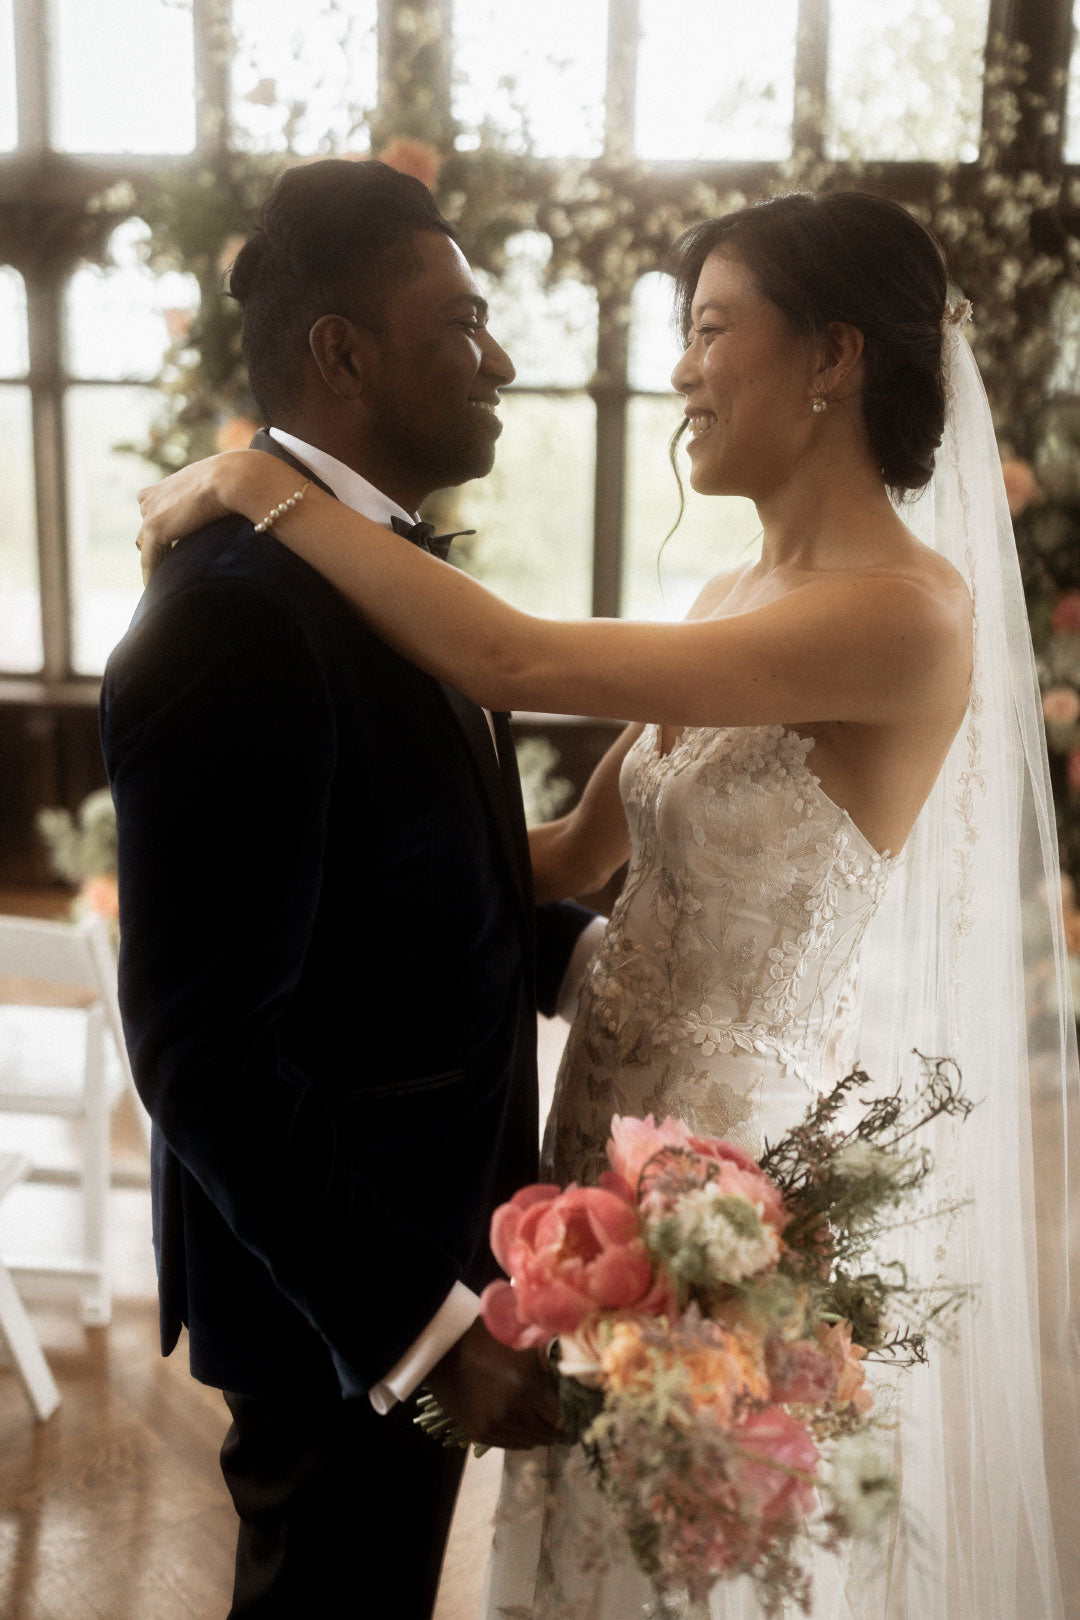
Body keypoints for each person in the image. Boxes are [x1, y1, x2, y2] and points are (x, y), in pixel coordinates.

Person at [136, 191, 1078, 1619]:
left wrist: (257, 484)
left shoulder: (906, 615)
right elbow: (568, 862)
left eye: (709, 329)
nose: (683, 368)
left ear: (831, 356)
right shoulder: (726, 598)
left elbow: (506, 656)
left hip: (717, 1170)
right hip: (597, 1164)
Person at [101, 158, 603, 1620]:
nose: (501, 358)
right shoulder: (236, 620)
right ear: (344, 352)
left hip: (429, 1249)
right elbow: (204, 1054)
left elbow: (404, 899)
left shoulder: (365, 577)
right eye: (462, 320)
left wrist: (622, 957)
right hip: (345, 1297)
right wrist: (429, 1332)